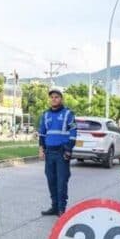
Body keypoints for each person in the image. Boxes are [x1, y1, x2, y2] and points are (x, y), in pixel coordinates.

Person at [38, 86, 77, 217]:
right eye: (52, 97)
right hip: (49, 153)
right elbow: (42, 134)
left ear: (61, 98)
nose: (54, 99)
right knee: (51, 180)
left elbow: (73, 133)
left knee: (61, 181)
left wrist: (68, 149)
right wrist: (41, 149)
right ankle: (54, 207)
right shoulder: (46, 115)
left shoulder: (68, 114)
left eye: (57, 97)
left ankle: (61, 209)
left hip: (62, 153)